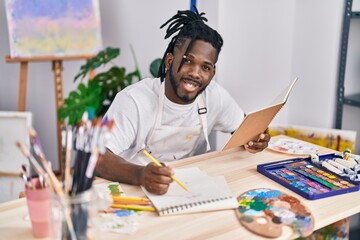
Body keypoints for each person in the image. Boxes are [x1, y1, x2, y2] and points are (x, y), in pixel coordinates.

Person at [96, 8, 270, 195]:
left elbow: (243, 127)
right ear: (170, 60)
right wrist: (140, 175)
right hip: (133, 189)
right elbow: (96, 157)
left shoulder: (215, 96)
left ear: (212, 73)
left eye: (205, 67)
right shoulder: (134, 100)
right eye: (188, 61)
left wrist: (256, 137)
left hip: (187, 190)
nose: (195, 73)